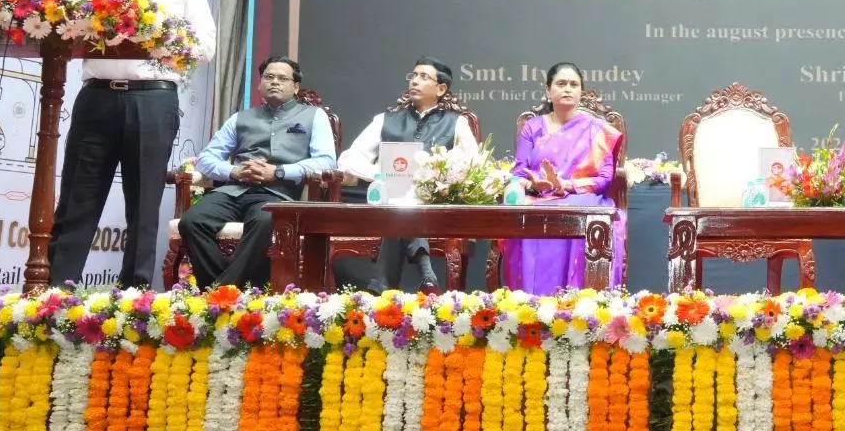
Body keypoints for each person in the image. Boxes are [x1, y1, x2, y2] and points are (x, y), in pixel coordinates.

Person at [49, 0, 217, 288]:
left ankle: (135, 296)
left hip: (152, 100)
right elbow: (63, 32)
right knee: (77, 197)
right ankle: (56, 292)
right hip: (97, 99)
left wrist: (157, 38)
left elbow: (205, 46)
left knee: (143, 203)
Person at [179, 56, 336, 287]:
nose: (275, 82)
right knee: (192, 221)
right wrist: (235, 171)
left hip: (277, 195)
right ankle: (228, 292)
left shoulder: (314, 116)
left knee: (264, 221)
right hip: (234, 190)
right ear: (259, 84)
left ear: (295, 87)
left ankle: (220, 292)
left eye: (282, 78)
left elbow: (326, 162)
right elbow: (206, 159)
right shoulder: (240, 118)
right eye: (269, 77)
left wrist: (278, 172)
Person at [339, 58, 478, 292]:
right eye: (413, 75)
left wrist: (439, 177)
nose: (415, 81)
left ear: (441, 89)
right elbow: (348, 159)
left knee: (404, 206)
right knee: (400, 204)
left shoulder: (457, 123)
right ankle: (426, 271)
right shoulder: (385, 120)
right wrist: (382, 174)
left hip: (433, 206)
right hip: (388, 200)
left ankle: (381, 285)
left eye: (424, 77)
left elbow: (473, 164)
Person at [500, 62, 622, 293]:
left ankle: (579, 298)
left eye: (574, 84)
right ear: (548, 90)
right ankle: (529, 298)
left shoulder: (597, 129)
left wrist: (566, 185)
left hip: (579, 196)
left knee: (580, 211)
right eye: (561, 83)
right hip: (537, 198)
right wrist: (533, 184)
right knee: (520, 212)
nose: (567, 89)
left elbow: (605, 179)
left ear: (581, 91)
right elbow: (518, 173)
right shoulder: (533, 127)